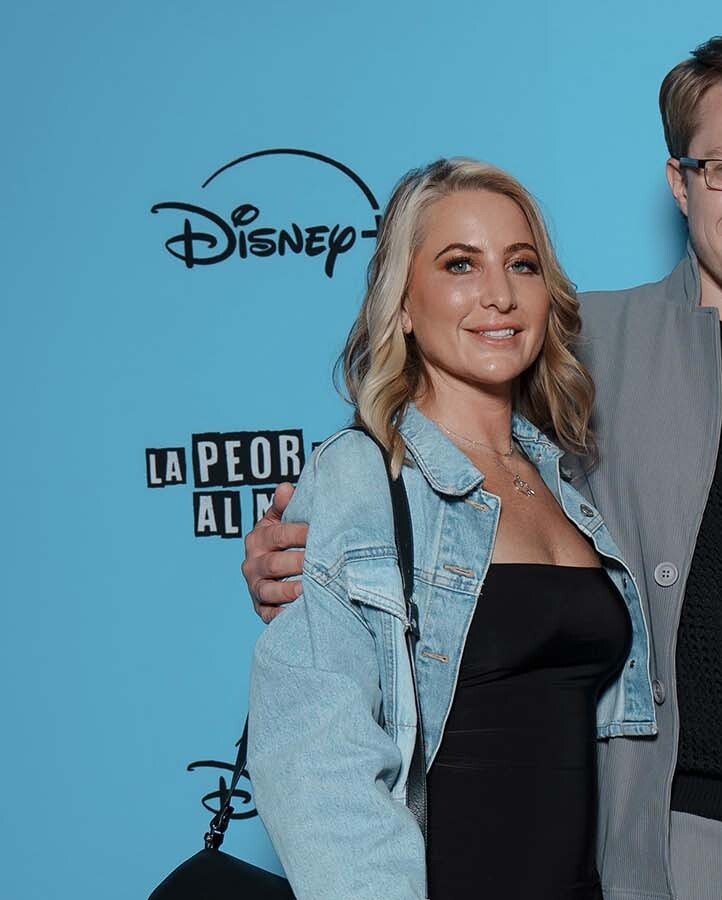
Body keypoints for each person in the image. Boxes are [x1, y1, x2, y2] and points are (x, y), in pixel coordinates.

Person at [241, 35, 722, 900]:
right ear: (679, 182)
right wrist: (303, 560)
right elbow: (424, 484)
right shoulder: (576, 349)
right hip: (678, 847)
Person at [247, 158, 654, 900]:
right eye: (459, 264)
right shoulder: (361, 475)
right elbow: (313, 761)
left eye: (521, 265)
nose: (498, 295)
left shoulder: (564, 480)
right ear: (402, 302)